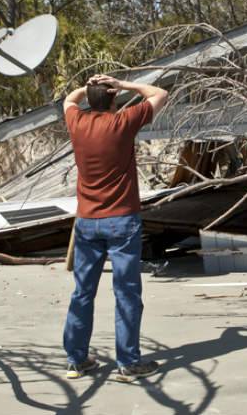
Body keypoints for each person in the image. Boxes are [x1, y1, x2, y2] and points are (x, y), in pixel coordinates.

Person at [61, 73, 168, 379]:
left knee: (83, 292)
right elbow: (159, 93)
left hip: (87, 222)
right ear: (113, 99)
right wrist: (124, 85)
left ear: (90, 100)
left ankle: (76, 359)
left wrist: (90, 88)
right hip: (122, 220)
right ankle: (128, 362)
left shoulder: (77, 123)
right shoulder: (122, 123)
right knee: (127, 292)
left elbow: (69, 100)